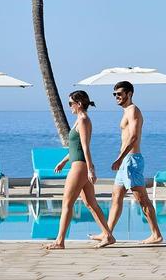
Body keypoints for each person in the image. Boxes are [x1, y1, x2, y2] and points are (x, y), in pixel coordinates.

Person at [90, 80, 163, 245]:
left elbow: (134, 137)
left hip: (131, 161)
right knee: (116, 197)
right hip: (125, 162)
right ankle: (107, 234)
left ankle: (156, 234)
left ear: (129, 94)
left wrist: (120, 157)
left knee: (142, 199)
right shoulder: (126, 112)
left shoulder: (133, 111)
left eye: (120, 94)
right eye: (114, 94)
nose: (117, 97)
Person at [45, 90, 116, 249]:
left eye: (71, 103)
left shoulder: (83, 120)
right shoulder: (79, 120)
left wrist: (90, 169)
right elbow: (74, 147)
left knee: (67, 204)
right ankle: (108, 235)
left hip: (80, 167)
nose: (69, 106)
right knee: (91, 204)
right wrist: (63, 161)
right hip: (78, 164)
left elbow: (85, 147)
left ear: (78, 104)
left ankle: (59, 241)